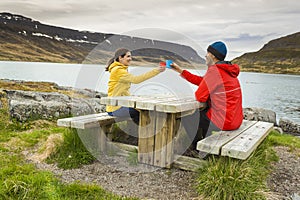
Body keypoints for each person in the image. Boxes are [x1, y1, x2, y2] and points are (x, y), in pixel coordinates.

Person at [170, 41, 243, 149]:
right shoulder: (227, 70)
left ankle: (196, 148)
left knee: (187, 118)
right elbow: (202, 81)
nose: (205, 56)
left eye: (207, 53)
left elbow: (200, 96)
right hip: (235, 120)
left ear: (212, 56)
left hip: (225, 122)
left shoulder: (215, 71)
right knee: (203, 113)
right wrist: (180, 71)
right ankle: (204, 143)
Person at [105, 48, 165, 125]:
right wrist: (157, 70)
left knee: (144, 111)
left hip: (120, 105)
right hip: (115, 108)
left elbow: (123, 90)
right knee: (141, 112)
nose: (130, 59)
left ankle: (143, 132)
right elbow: (136, 80)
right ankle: (144, 133)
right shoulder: (118, 70)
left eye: (130, 56)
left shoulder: (122, 69)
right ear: (120, 58)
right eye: (128, 56)